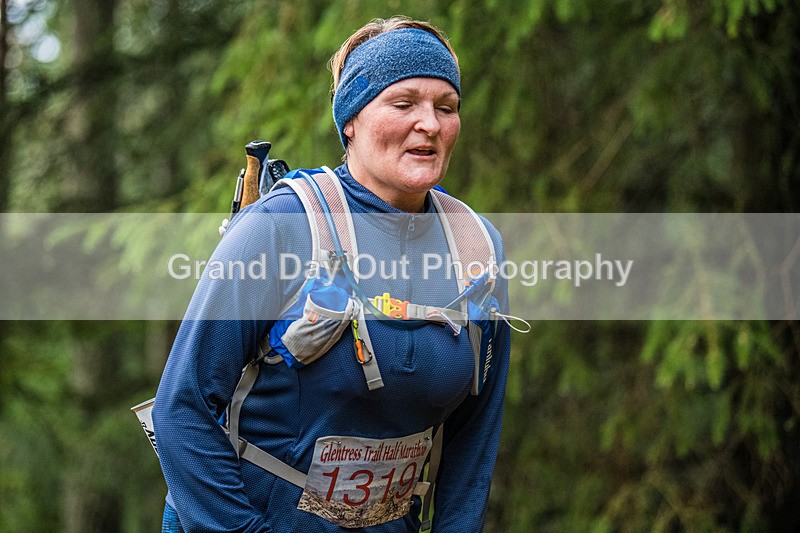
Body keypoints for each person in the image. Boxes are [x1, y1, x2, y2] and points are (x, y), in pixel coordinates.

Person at [153, 16, 511, 533]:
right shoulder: (282, 227)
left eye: (446, 107)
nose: (430, 124)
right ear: (351, 120)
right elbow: (181, 410)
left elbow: (475, 436)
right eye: (404, 103)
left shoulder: (477, 248)